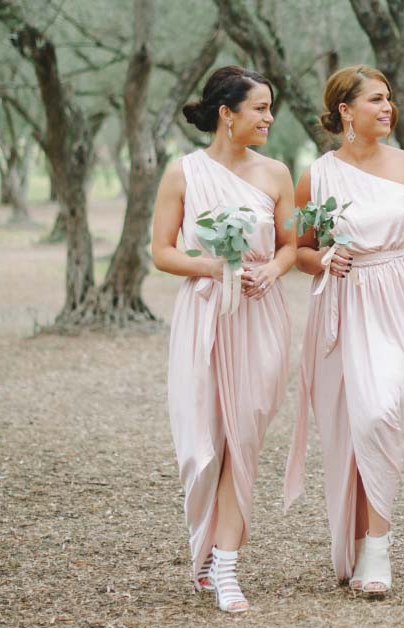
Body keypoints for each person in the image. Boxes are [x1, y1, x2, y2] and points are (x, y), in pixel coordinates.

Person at [283, 65, 404, 596]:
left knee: (379, 411)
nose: (387, 107)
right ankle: (358, 540)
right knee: (349, 425)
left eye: (389, 98)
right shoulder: (318, 174)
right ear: (345, 111)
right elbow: (299, 250)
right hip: (345, 304)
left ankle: (379, 545)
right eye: (375, 99)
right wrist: (325, 257)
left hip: (401, 297)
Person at [151, 66, 296, 612]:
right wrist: (212, 267)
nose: (269, 117)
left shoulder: (278, 173)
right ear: (226, 114)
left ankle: (227, 566)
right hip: (205, 312)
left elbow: (290, 244)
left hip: (260, 315)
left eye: (270, 107)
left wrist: (273, 270)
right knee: (201, 447)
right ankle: (203, 547)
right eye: (259, 107)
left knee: (243, 441)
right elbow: (162, 251)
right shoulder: (182, 173)